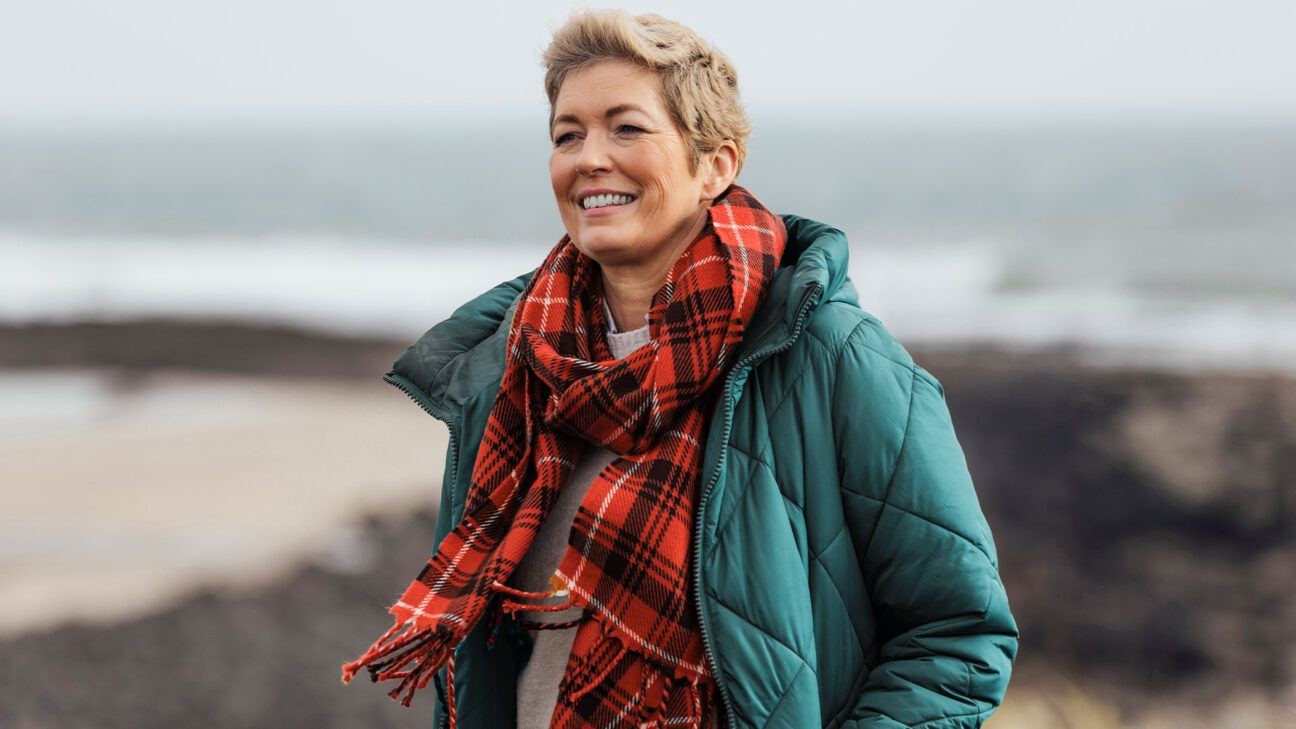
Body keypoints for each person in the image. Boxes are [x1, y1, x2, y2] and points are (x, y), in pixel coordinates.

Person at [343, 9, 1017, 728]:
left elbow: (958, 637)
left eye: (626, 127)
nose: (589, 157)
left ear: (716, 165)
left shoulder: (830, 354)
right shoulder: (514, 369)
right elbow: (482, 658)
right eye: (567, 134)